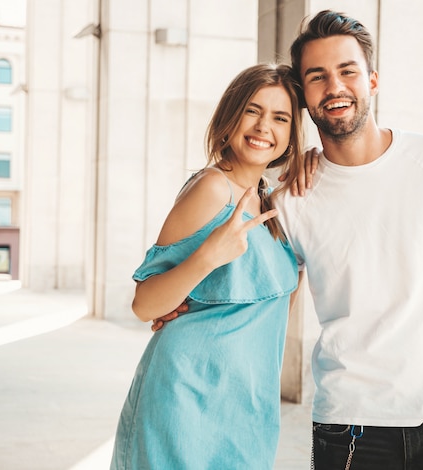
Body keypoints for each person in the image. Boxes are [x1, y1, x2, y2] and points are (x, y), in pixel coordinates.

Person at [273, 9, 423, 469]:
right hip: (346, 426)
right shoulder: (291, 197)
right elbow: (265, 292)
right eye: (317, 77)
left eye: (347, 71)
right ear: (303, 96)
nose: (334, 87)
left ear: (372, 80)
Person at [110, 63, 304, 470]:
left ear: (291, 134)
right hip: (186, 396)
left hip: (249, 404)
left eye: (280, 117)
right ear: (230, 117)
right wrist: (208, 257)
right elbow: (144, 304)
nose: (263, 126)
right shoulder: (212, 188)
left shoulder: (271, 201)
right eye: (253, 110)